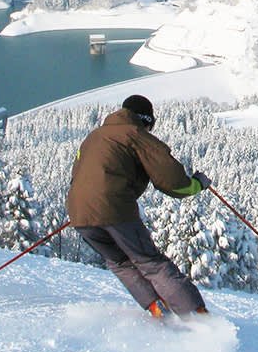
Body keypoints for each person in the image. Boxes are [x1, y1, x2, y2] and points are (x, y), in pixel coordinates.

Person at [67, 94, 211, 319]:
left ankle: (157, 309)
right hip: (113, 209)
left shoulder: (94, 137)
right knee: (150, 261)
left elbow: (80, 175)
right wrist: (197, 185)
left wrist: (85, 206)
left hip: (79, 212)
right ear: (146, 119)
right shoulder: (135, 134)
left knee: (120, 262)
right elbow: (172, 181)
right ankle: (197, 318)